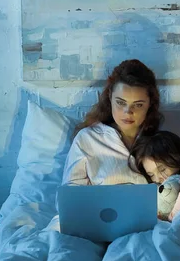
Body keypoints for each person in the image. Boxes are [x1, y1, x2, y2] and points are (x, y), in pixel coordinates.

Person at [62, 59, 163, 187]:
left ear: (150, 104)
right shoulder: (87, 139)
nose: (128, 112)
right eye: (120, 102)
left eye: (138, 105)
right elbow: (71, 195)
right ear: (110, 97)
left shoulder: (161, 139)